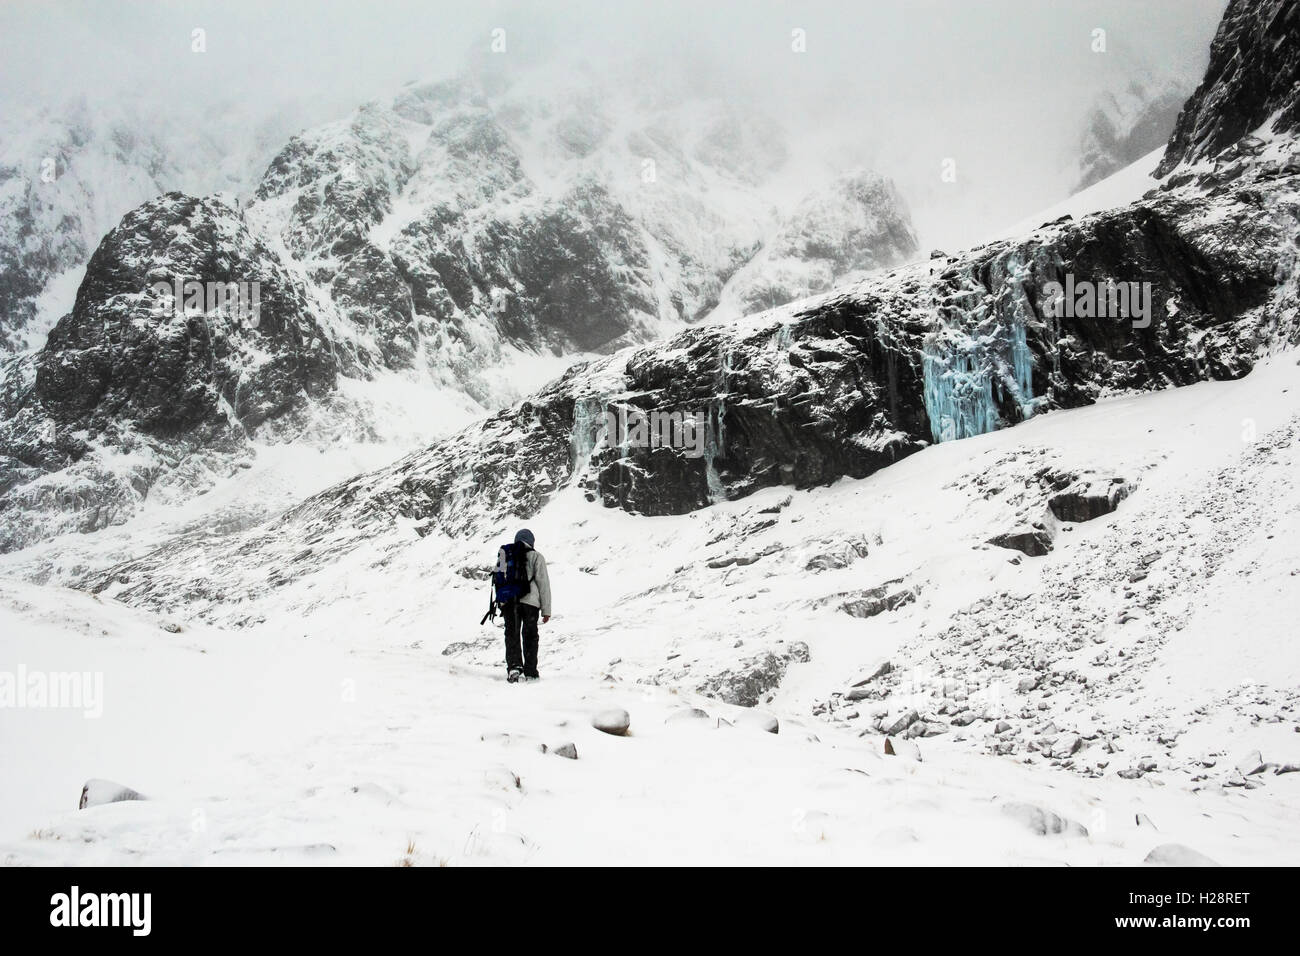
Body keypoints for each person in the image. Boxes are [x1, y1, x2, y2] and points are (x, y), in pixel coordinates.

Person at [499, 528, 551, 683]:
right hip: (530, 604)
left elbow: (499, 580)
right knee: (530, 636)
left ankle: (514, 667)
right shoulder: (536, 557)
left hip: (510, 602)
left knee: (511, 635)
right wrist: (546, 610)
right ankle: (530, 671)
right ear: (531, 542)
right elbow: (543, 584)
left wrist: (502, 602)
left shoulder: (505, 554)